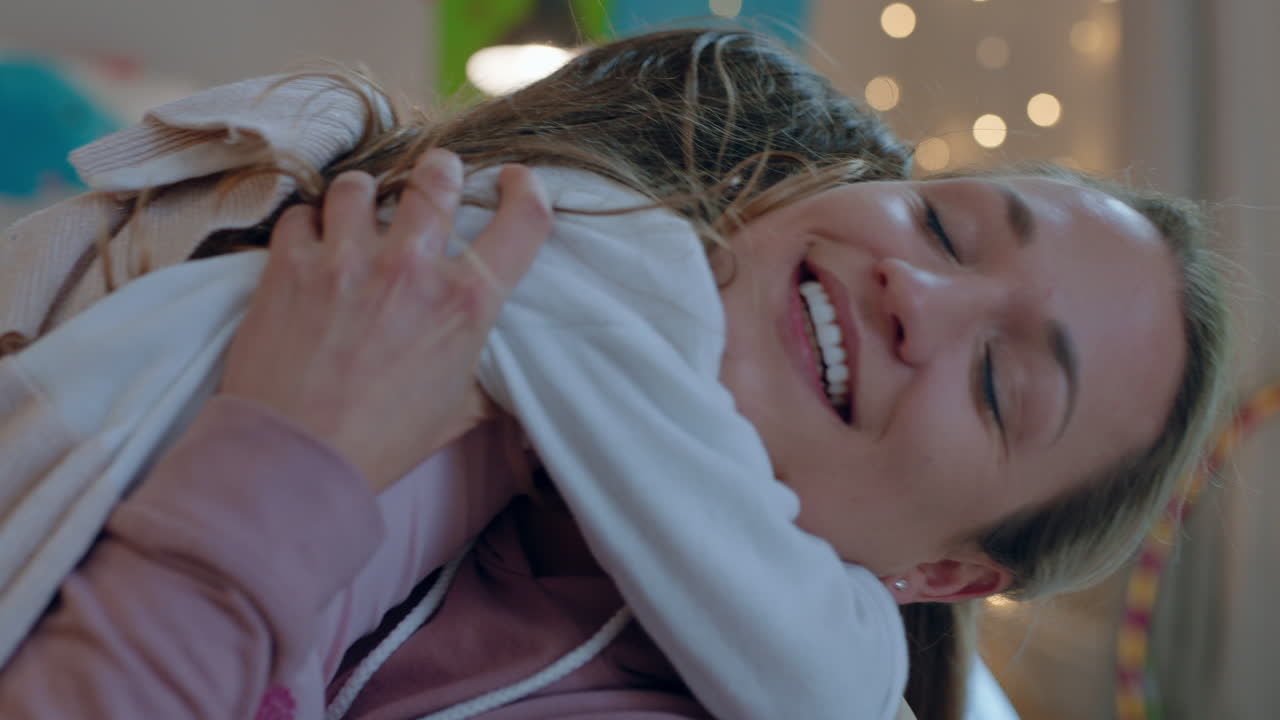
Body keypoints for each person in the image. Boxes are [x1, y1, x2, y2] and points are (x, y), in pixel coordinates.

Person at [0, 28, 1229, 720]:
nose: (919, 296)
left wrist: (289, 452)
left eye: (1000, 385)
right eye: (945, 227)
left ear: (941, 573)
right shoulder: (483, 237)